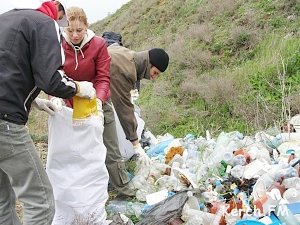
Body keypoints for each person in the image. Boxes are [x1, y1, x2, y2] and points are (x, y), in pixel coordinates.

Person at [0, 1, 96, 225]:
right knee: (41, 201)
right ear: (59, 14)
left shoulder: (7, 19)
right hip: (5, 123)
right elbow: (50, 78)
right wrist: (79, 88)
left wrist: (33, 101)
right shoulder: (45, 23)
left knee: (2, 201)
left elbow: (10, 69)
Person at [59, 6, 136, 197]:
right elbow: (55, 74)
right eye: (70, 30)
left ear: (87, 26)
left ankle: (124, 190)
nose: (75, 35)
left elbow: (103, 77)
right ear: (64, 29)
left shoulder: (98, 44)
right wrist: (57, 98)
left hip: (98, 102)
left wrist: (99, 101)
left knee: (111, 149)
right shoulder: (58, 44)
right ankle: (84, 194)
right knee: (78, 153)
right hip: (70, 105)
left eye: (79, 30)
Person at [107, 45, 169, 167]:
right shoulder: (127, 71)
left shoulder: (130, 56)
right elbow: (124, 107)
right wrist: (135, 143)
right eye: (155, 72)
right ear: (149, 64)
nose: (154, 77)